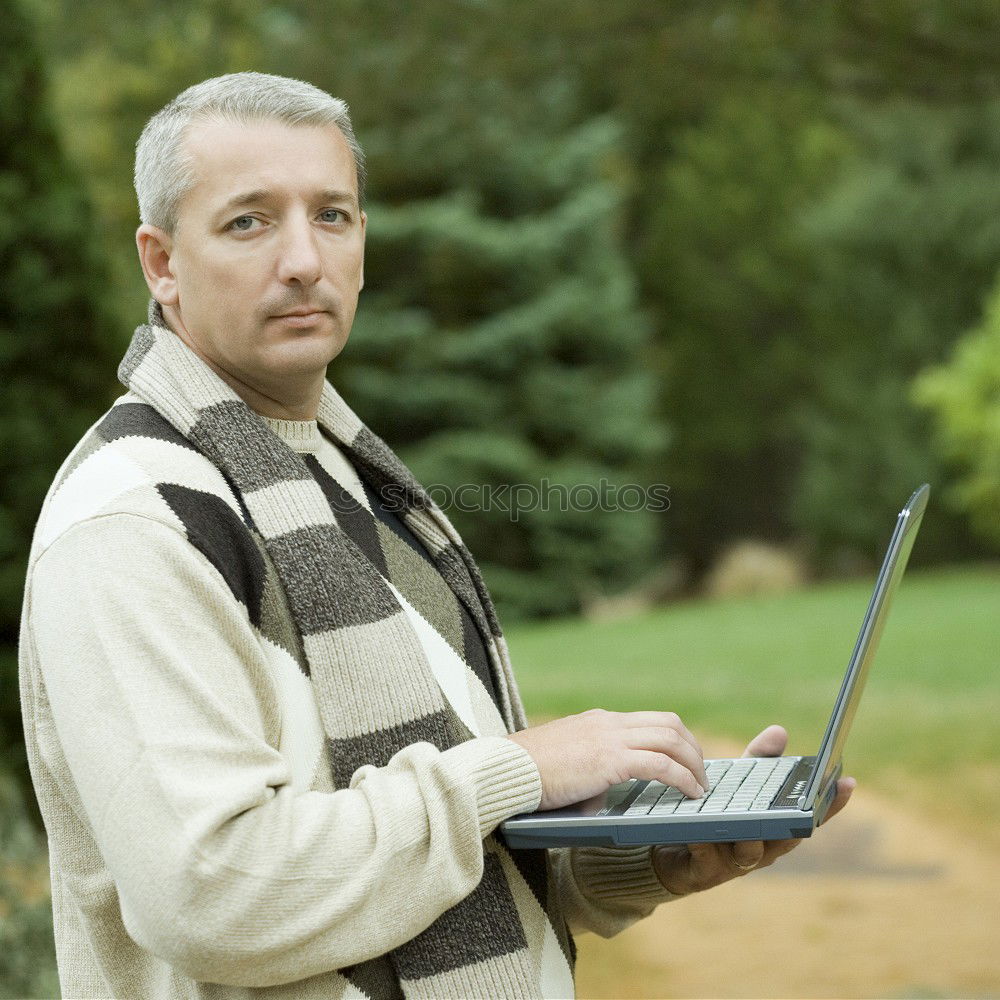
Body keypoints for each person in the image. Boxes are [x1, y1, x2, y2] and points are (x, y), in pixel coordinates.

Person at [18, 72, 853, 1000]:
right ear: (161, 261)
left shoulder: (351, 479)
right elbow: (214, 894)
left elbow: (440, 863)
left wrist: (643, 862)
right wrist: (517, 768)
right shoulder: (132, 521)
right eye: (249, 222)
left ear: (364, 242)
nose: (303, 259)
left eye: (332, 215)